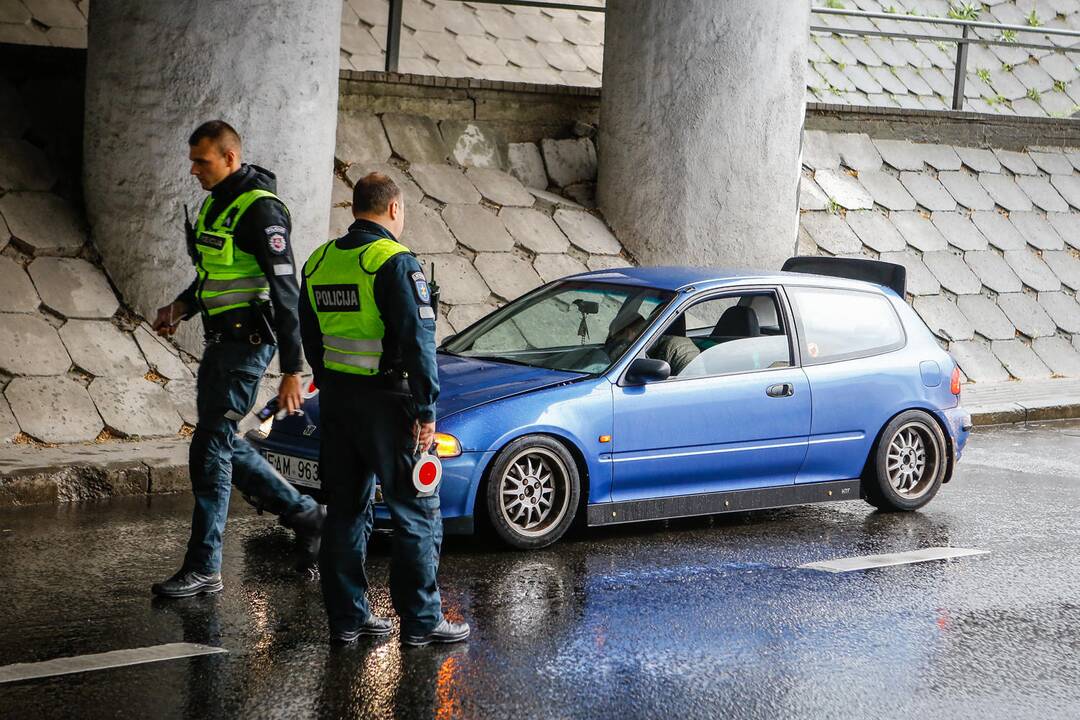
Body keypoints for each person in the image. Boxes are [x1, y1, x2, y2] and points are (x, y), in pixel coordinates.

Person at [150, 120, 324, 598]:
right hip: (219, 342)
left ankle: (205, 566)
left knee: (209, 447)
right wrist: (183, 306)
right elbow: (214, 275)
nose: (193, 170)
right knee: (220, 440)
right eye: (192, 160)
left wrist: (293, 369)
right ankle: (306, 514)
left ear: (229, 158)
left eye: (201, 161)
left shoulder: (262, 211)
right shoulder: (215, 204)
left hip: (248, 345)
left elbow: (287, 293)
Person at [299, 172, 469, 647]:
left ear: (355, 208)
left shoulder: (320, 261)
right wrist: (426, 408)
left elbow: (309, 335)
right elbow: (419, 344)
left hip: (336, 404)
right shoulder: (394, 263)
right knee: (417, 510)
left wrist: (330, 381)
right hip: (389, 404)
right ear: (394, 209)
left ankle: (347, 620)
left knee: (345, 512)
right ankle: (420, 623)